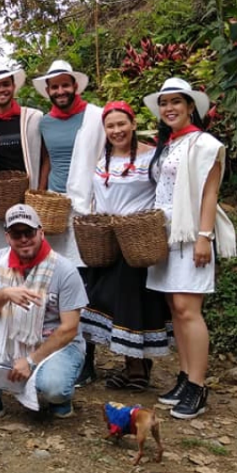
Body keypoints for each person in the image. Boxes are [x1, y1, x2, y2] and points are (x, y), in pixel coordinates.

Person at [143, 77, 236, 419]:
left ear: (190, 106)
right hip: (165, 232)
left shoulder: (204, 144)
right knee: (175, 307)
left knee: (188, 308)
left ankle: (197, 386)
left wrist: (204, 236)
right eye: (164, 103)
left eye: (176, 102)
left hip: (191, 230)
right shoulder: (168, 145)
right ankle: (185, 377)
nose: (169, 108)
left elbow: (210, 192)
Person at [0, 204, 89, 428]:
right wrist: (5, 294)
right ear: (7, 237)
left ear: (41, 232)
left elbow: (69, 328)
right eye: (16, 234)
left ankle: (60, 396)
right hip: (12, 332)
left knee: (54, 388)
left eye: (29, 232)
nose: (23, 239)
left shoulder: (64, 270)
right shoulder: (0, 260)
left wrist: (30, 361)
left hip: (57, 344)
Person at [77, 101, 171, 391]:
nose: (116, 130)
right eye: (110, 126)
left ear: (133, 124)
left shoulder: (152, 158)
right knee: (109, 303)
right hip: (107, 242)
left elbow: (165, 195)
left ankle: (137, 367)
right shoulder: (101, 160)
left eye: (121, 124)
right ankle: (132, 365)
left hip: (136, 242)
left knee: (132, 304)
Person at [31, 60, 106, 385]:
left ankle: (87, 357)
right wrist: (39, 197)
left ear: (75, 86)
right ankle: (54, 349)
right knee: (54, 280)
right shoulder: (45, 122)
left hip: (86, 205)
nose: (60, 90)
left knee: (83, 282)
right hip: (55, 207)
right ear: (48, 90)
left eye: (65, 84)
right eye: (55, 86)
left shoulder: (95, 117)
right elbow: (46, 160)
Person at [0, 62, 49, 254]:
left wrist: (39, 192)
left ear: (13, 86)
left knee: (28, 249)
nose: (2, 90)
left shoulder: (31, 118)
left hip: (27, 197)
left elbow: (45, 158)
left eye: (5, 84)